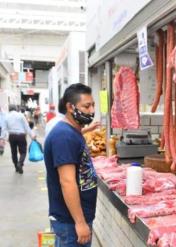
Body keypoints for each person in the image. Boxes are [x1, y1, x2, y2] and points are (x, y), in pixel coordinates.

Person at [44, 83, 97, 246]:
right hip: (70, 223)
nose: (92, 111)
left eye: (93, 105)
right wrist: (80, 223)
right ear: (70, 107)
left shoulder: (73, 132)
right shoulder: (64, 136)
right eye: (86, 106)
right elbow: (67, 182)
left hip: (75, 220)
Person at [3, 104, 36, 174]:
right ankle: (20, 164)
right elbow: (26, 126)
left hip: (12, 136)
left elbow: (4, 129)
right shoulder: (21, 115)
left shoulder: (6, 117)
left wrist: (5, 138)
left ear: (9, 109)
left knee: (13, 152)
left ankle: (16, 167)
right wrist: (32, 135)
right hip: (21, 136)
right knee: (23, 152)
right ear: (16, 109)